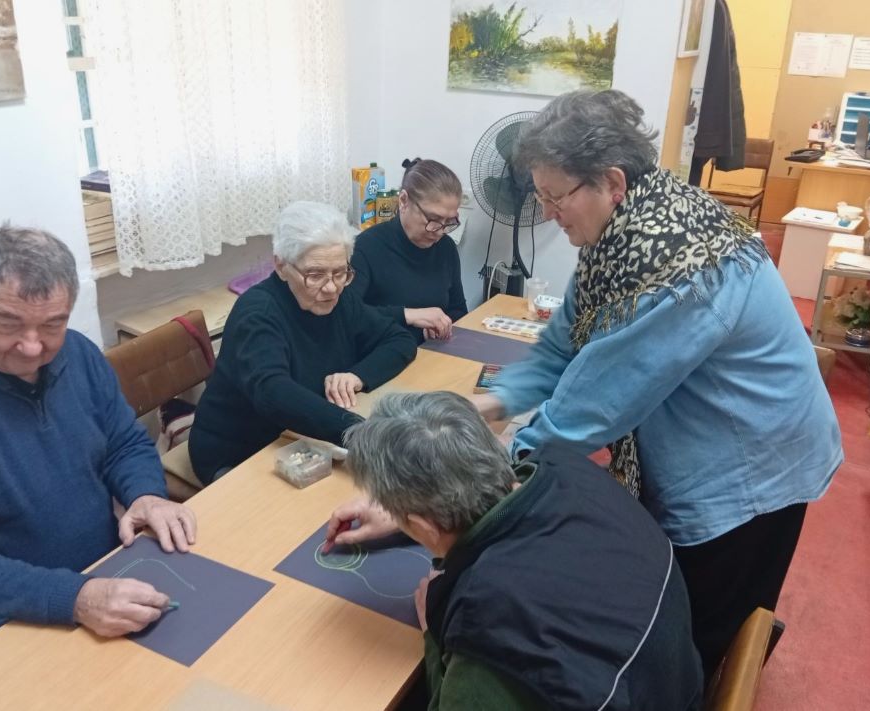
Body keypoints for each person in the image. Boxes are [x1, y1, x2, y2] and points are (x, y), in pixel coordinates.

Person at [470, 89, 843, 682]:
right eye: (540, 196)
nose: (548, 212)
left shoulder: (672, 262)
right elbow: (562, 348)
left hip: (750, 475)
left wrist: (478, 477)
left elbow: (593, 408)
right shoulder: (619, 237)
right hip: (729, 439)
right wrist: (490, 404)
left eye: (556, 196)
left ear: (612, 183)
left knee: (685, 646)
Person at [0, 226, 198, 655]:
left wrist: (145, 493)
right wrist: (75, 597)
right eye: (9, 323)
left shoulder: (78, 354)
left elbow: (123, 443)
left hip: (101, 571)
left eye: (53, 324)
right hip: (0, 613)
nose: (33, 347)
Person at [327, 392, 703, 710]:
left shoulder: (485, 617)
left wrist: (432, 635)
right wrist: (406, 517)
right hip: (673, 686)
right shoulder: (568, 468)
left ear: (425, 526)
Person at [189, 201, 416, 484]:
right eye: (315, 275)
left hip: (301, 438)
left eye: (340, 272)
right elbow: (275, 392)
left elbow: (398, 339)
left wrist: (358, 375)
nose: (331, 287)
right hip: (241, 451)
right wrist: (361, 432)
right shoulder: (257, 313)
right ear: (281, 265)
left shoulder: (340, 298)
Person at [348, 158, 468, 342]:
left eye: (449, 221)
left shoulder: (446, 248)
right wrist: (408, 315)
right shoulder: (366, 247)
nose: (439, 231)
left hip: (431, 352)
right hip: (382, 351)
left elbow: (458, 310)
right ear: (404, 201)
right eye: (433, 219)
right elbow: (348, 315)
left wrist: (442, 325)